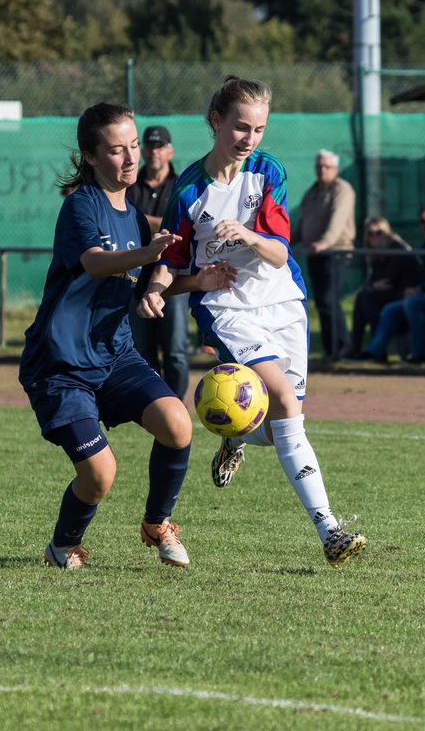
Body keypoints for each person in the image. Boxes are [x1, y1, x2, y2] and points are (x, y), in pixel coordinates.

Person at [140, 75, 367, 568]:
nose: (250, 139)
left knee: (288, 418)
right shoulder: (190, 190)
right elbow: (173, 262)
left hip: (283, 302)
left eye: (259, 129)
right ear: (216, 121)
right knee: (283, 399)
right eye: (241, 127)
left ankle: (236, 434)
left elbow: (280, 252)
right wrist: (159, 288)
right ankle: (329, 529)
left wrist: (246, 232)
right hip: (229, 309)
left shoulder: (267, 172)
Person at [20, 102, 227, 570]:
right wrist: (145, 252)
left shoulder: (133, 217)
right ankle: (62, 546)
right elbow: (94, 262)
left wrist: (198, 281)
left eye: (134, 146)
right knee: (100, 474)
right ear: (90, 157)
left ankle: (158, 523)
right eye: (117, 150)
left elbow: (152, 280)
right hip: (63, 365)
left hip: (115, 355)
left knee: (177, 422)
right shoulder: (81, 206)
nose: (131, 158)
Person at [125, 125, 190, 397]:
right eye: (150, 146)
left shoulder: (181, 185)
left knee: (175, 349)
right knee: (142, 347)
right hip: (136, 276)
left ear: (170, 151)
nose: (154, 152)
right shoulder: (129, 185)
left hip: (170, 278)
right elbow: (125, 221)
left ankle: (176, 403)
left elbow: (177, 230)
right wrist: (160, 225)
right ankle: (154, 401)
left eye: (160, 146)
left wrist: (143, 220)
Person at [367, 206, 425, 364]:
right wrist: (414, 289)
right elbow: (422, 275)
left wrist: (420, 289)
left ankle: (418, 355)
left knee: (412, 303)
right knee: (391, 309)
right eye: (423, 221)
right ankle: (375, 352)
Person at [294, 149, 356, 362]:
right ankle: (331, 351)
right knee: (322, 302)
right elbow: (302, 224)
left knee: (330, 300)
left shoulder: (342, 190)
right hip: (315, 254)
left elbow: (337, 221)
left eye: (327, 167)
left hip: (335, 253)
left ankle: (343, 346)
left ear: (336, 169)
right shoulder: (311, 192)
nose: (322, 170)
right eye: (320, 166)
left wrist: (325, 242)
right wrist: (283, 242)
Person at [343, 216, 414, 360]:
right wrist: (374, 285)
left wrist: (375, 285)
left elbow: (388, 281)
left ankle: (376, 351)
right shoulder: (376, 253)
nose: (374, 237)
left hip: (405, 293)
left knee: (367, 298)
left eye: (378, 233)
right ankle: (357, 347)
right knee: (363, 297)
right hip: (390, 293)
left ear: (386, 232)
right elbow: (376, 282)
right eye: (370, 233)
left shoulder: (396, 249)